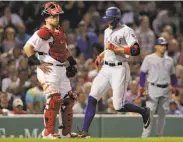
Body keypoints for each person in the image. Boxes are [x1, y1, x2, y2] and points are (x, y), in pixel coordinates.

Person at [76, 7, 150, 138]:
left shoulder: (126, 30)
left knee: (118, 106)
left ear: (116, 19)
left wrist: (117, 49)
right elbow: (109, 49)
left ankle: (144, 111)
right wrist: (101, 55)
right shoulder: (106, 31)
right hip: (106, 68)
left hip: (120, 69)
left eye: (110, 19)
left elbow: (136, 50)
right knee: (92, 98)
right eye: (107, 19)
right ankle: (84, 130)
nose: (108, 21)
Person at [23, 2, 77, 139]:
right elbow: (27, 47)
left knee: (68, 100)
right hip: (48, 68)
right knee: (54, 99)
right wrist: (36, 63)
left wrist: (72, 62)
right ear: (46, 18)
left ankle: (66, 134)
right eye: (53, 16)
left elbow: (64, 49)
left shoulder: (59, 31)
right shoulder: (43, 32)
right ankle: (47, 133)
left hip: (60, 69)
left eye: (57, 16)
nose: (56, 19)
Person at [140, 37, 180, 137]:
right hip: (153, 87)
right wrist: (142, 87)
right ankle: (145, 136)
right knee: (149, 113)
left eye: (165, 45)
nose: (163, 47)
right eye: (161, 45)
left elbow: (173, 76)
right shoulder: (149, 58)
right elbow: (142, 74)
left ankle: (159, 136)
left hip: (165, 89)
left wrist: (175, 86)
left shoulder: (169, 60)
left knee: (162, 115)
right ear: (156, 46)